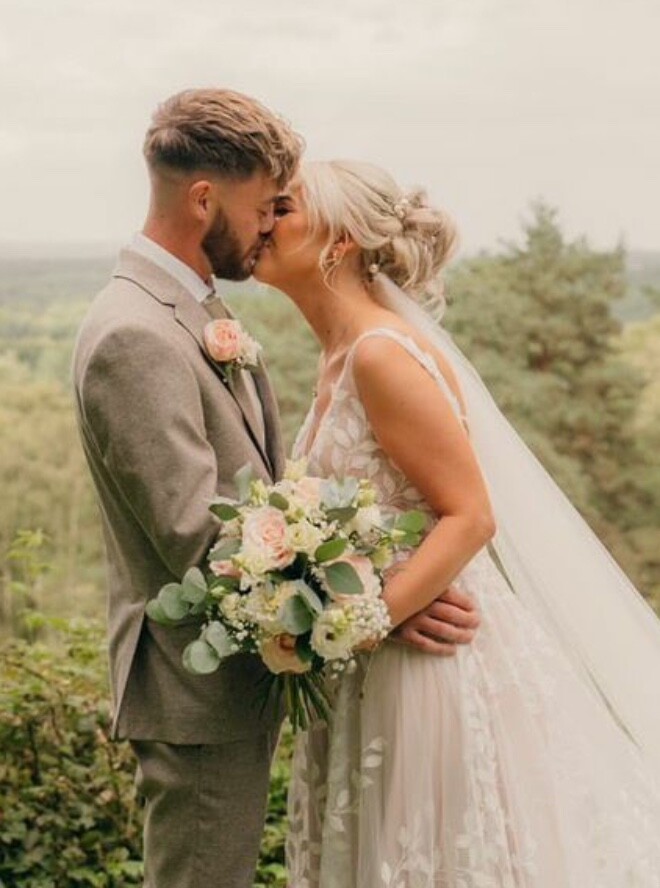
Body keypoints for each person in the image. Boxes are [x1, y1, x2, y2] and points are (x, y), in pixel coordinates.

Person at [72, 92, 479, 888]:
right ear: (203, 199)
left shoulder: (195, 313)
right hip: (197, 690)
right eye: (265, 206)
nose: (267, 226)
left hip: (253, 680)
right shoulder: (136, 333)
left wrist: (375, 596)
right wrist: (374, 607)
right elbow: (207, 545)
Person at [254, 159, 660, 887]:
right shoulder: (337, 358)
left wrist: (362, 621)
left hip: (423, 669)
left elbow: (470, 515)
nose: (261, 219)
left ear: (339, 240)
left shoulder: (380, 355)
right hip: (369, 664)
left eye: (283, 207)